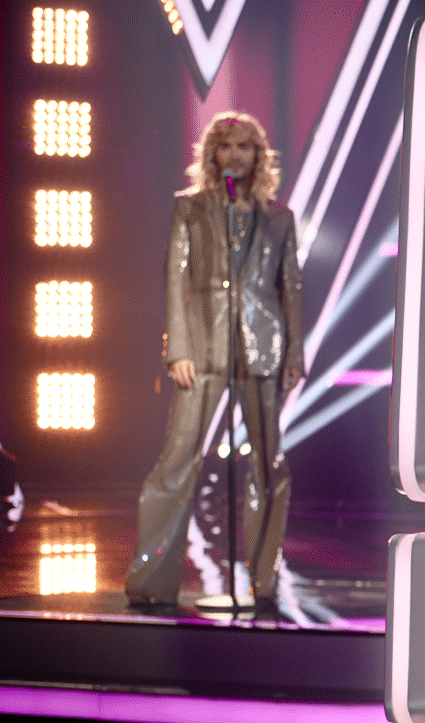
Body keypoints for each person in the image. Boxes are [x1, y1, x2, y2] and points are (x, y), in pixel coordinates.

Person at [126, 111, 302, 610]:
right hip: (202, 344)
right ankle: (152, 580)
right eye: (226, 146)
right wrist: (177, 348)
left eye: (244, 147)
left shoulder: (279, 218)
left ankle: (263, 581)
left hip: (262, 347)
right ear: (213, 154)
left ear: (258, 156)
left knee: (268, 465)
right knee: (177, 460)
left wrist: (294, 351)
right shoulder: (190, 208)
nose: (234, 156)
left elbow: (290, 287)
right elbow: (174, 279)